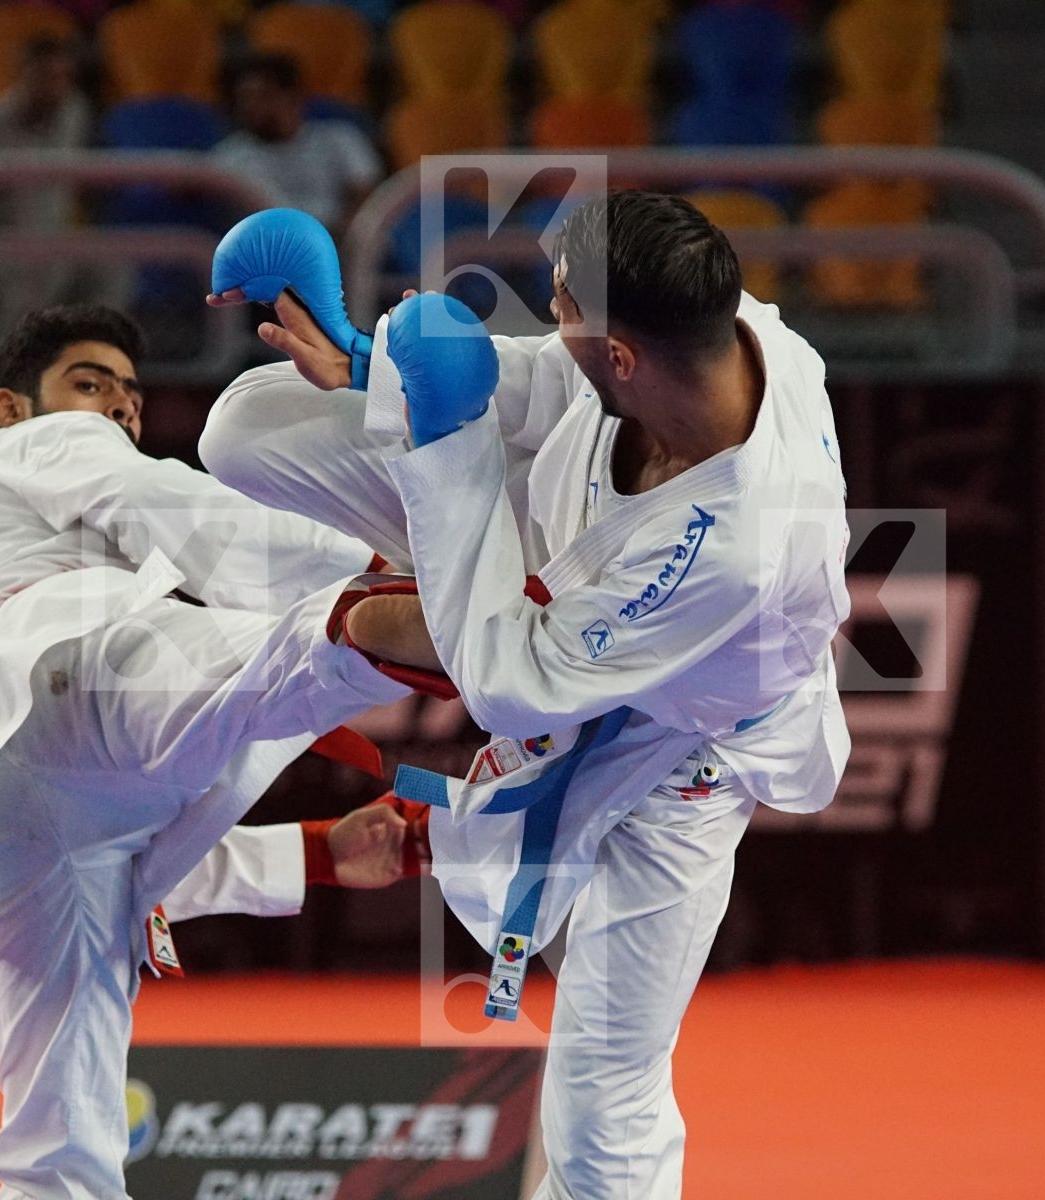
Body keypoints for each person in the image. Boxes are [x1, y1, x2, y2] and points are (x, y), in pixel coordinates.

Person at [200, 192, 853, 1198]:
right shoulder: (721, 332)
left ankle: (397, 611)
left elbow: (513, 686)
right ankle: (415, 592)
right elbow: (553, 384)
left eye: (560, 308)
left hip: (679, 749)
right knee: (249, 427)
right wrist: (368, 361)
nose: (547, 323)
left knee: (602, 1095)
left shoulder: (745, 543)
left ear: (625, 355)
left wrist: (445, 443)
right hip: (559, 558)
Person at [0, 305, 428, 1199]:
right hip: (61, 677)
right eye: (90, 384)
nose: (117, 410)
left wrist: (313, 856)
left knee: (59, 1158)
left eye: (131, 397)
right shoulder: (40, 448)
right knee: (257, 655)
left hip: (5, 817)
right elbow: (168, 504)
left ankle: (382, 629)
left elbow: (100, 829)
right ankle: (415, 614)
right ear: (12, 408)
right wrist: (365, 561)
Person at [0, 36, 97, 342]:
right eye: (45, 77)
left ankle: (93, 367)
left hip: (52, 241)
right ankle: (2, 377)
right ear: (23, 75)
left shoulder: (74, 113)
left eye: (62, 78)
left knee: (111, 270)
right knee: (36, 280)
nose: (54, 87)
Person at [212, 53, 382, 231]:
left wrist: (342, 236)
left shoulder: (339, 138)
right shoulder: (227, 158)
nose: (251, 107)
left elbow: (368, 194)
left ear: (294, 96)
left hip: (340, 242)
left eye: (263, 96)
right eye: (245, 98)